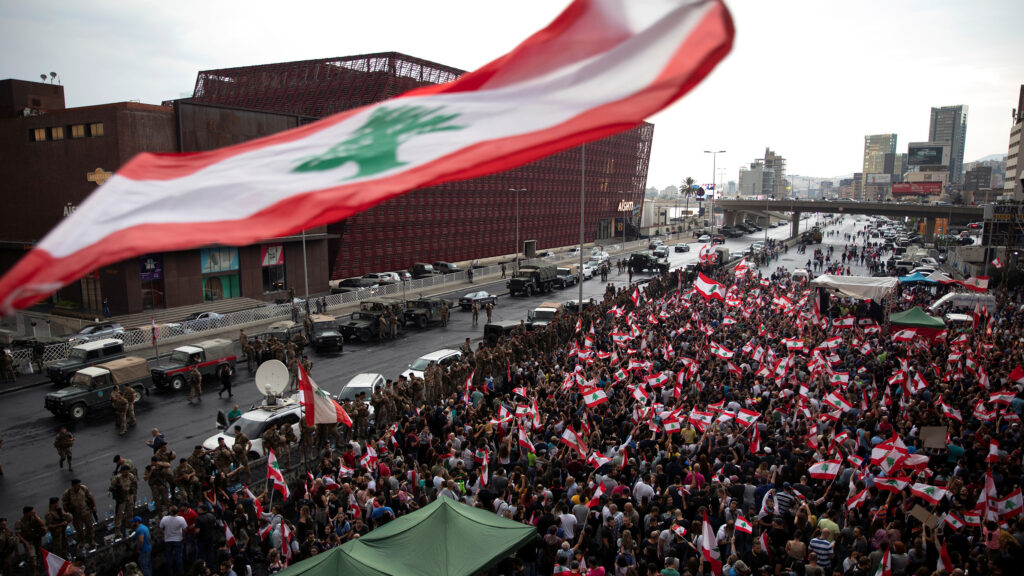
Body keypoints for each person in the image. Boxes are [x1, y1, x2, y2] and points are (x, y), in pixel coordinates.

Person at [62, 479, 97, 548]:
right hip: (76, 514)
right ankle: (82, 541)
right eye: (78, 485)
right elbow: (64, 504)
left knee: (90, 527)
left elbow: (90, 496)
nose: (80, 486)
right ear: (74, 485)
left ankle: (91, 540)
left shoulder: (83, 489)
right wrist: (67, 513)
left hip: (86, 511)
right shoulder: (68, 493)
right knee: (79, 530)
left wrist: (94, 505)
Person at [15, 506, 45, 576]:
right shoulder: (19, 522)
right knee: (32, 557)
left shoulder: (34, 518)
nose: (33, 513)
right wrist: (26, 543)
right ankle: (33, 572)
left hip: (36, 539)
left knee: (38, 554)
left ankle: (37, 569)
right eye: (31, 512)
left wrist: (36, 516)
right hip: (28, 541)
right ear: (26, 513)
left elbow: (43, 524)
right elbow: (17, 534)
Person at [160, 506, 188, 576]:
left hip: (168, 540)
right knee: (179, 557)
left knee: (169, 557)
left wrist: (164, 535)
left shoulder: (164, 519)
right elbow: (185, 529)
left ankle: (170, 572)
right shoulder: (181, 519)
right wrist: (184, 537)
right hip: (178, 539)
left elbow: (161, 528)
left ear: (170, 512)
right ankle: (181, 572)